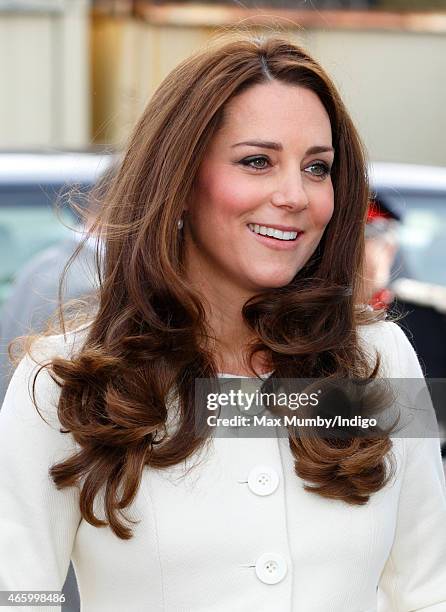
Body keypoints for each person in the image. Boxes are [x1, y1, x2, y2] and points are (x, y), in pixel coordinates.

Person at [1, 32, 446, 612]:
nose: (295, 195)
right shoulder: (61, 380)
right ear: (181, 181)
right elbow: (20, 593)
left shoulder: (380, 358)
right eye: (257, 161)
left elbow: (425, 586)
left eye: (318, 168)